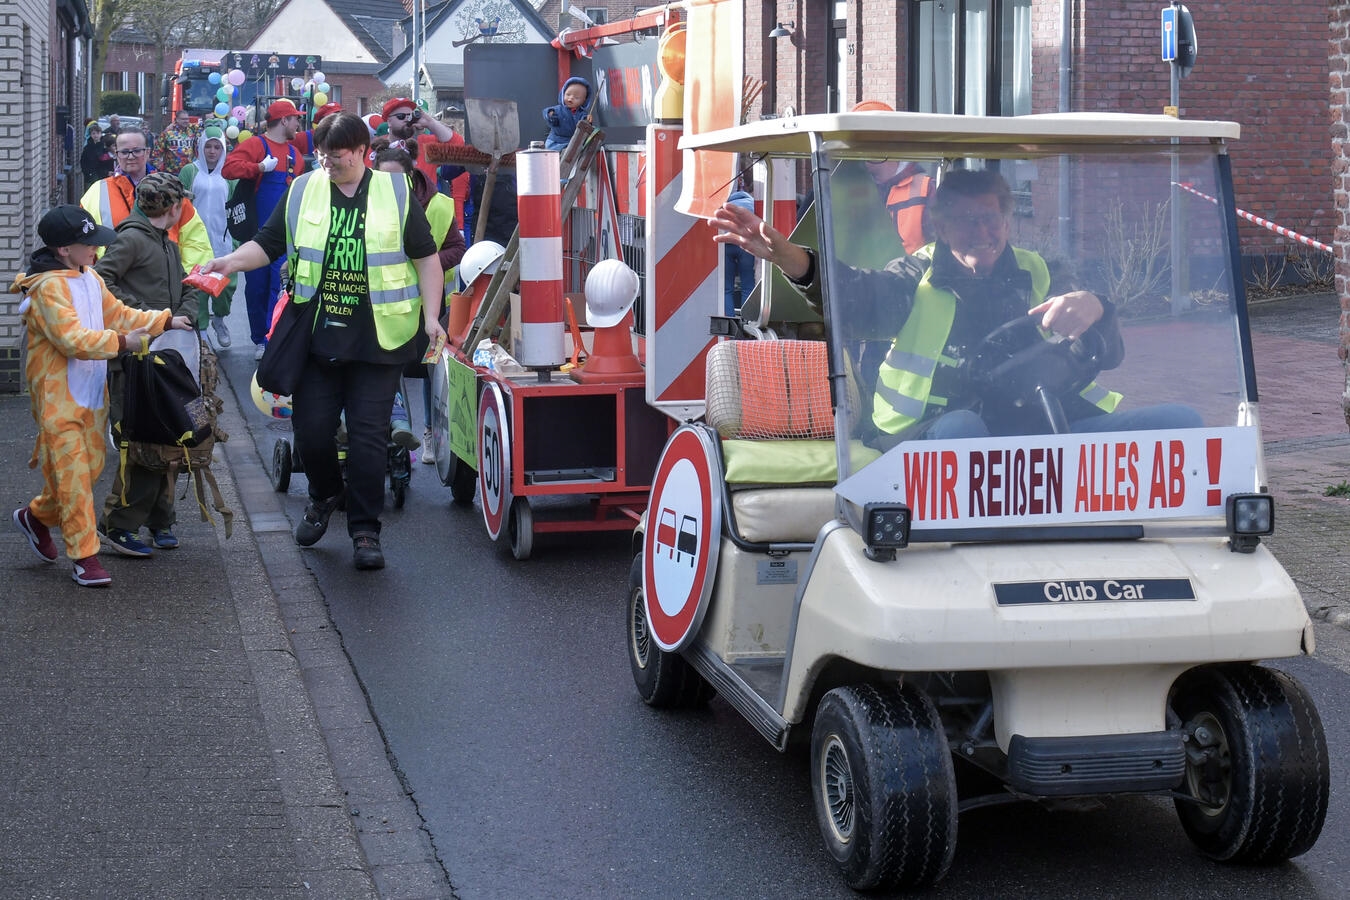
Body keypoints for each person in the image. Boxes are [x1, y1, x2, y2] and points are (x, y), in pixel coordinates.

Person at [709, 168, 1201, 443]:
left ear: (1006, 221)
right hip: (927, 433)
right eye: (966, 221)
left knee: (1182, 423)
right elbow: (856, 298)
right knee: (965, 431)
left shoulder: (1041, 271)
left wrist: (1095, 306)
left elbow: (1106, 353)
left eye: (990, 219)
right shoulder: (916, 276)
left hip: (1039, 423)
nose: (981, 232)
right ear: (942, 228)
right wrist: (790, 257)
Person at [202, 112, 447, 570]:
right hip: (316, 336)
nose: (327, 163)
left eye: (337, 156)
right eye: (322, 155)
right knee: (312, 432)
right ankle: (325, 495)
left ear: (362, 152)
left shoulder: (395, 192)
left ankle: (365, 530)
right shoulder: (303, 189)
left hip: (380, 338)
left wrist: (431, 317)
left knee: (369, 439)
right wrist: (229, 262)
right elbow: (268, 243)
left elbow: (426, 258)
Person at [10, 205, 193, 587]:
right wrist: (124, 343)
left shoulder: (89, 277)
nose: (96, 249)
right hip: (58, 400)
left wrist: (163, 320)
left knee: (87, 471)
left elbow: (119, 314)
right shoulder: (48, 289)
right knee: (75, 480)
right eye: (89, 243)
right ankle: (85, 558)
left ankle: (35, 517)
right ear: (64, 249)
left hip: (92, 397)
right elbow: (72, 340)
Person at [95, 173, 202, 557]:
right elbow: (102, 284)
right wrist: (152, 318)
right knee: (141, 442)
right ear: (172, 207)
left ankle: (160, 518)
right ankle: (117, 524)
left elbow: (186, 289)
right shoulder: (132, 240)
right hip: (137, 360)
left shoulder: (164, 242)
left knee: (169, 437)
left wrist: (187, 309)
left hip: (165, 358)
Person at [374, 146, 466, 463]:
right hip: (386, 307)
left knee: (430, 370)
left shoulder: (438, 205)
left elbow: (456, 248)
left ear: (411, 177)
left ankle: (430, 433)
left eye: (396, 179)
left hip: (430, 308)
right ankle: (391, 434)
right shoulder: (368, 205)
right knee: (386, 371)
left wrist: (426, 262)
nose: (390, 186)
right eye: (382, 178)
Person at [222, 98, 306, 359]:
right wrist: (258, 167)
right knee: (256, 288)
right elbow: (228, 169)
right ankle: (259, 337)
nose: (298, 123)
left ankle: (272, 338)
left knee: (278, 286)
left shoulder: (296, 155)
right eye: (295, 119)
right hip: (256, 236)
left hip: (284, 235)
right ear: (284, 120)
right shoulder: (256, 145)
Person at [851, 100, 934, 254]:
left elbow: (938, 248)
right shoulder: (843, 188)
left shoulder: (926, 189)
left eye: (865, 142)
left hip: (911, 269)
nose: (858, 150)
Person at [179, 126, 236, 347]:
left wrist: (237, 238)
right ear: (201, 147)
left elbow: (236, 206)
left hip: (223, 242)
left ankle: (219, 319)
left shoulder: (229, 173)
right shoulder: (189, 171)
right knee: (198, 289)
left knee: (225, 289)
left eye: (217, 147)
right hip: (196, 243)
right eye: (208, 146)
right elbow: (180, 204)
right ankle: (202, 331)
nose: (212, 151)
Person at [382, 96, 469, 232]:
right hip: (387, 221)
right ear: (389, 121)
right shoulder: (375, 148)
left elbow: (458, 145)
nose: (407, 120)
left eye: (410, 116)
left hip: (424, 221)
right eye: (401, 116)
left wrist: (429, 122)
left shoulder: (425, 144)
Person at [723, 189, 756, 316]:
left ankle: (729, 321)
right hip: (746, 245)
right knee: (748, 285)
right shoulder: (753, 203)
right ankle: (749, 319)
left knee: (726, 289)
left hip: (726, 244)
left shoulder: (725, 205)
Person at [543, 76, 593, 152]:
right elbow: (547, 113)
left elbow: (585, 127)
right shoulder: (558, 109)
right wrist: (550, 115)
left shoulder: (582, 114)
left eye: (576, 97)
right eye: (568, 94)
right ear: (563, 93)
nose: (571, 98)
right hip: (555, 141)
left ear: (584, 101)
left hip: (571, 143)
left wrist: (588, 120)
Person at [153, 108, 200, 176]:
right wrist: (158, 167)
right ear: (177, 119)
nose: (186, 121)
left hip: (189, 172)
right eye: (183, 119)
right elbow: (157, 151)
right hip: (172, 172)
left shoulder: (192, 131)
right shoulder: (168, 132)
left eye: (187, 119)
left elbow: (203, 126)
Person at [80, 122, 114, 190]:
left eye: (98, 133)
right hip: (91, 174)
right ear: (91, 135)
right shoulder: (87, 148)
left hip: (104, 175)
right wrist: (86, 172)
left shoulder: (105, 146)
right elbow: (83, 161)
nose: (96, 135)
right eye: (93, 133)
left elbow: (109, 161)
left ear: (101, 134)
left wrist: (107, 172)